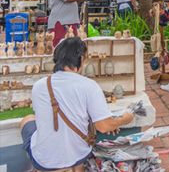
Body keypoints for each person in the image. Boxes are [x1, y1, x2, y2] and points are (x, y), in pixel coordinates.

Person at [20, 38, 133, 171]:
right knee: (77, 141)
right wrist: (126, 118)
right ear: (80, 59)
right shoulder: (89, 86)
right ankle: (76, 167)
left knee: (28, 119)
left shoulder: (39, 85)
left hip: (44, 161)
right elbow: (104, 126)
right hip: (79, 155)